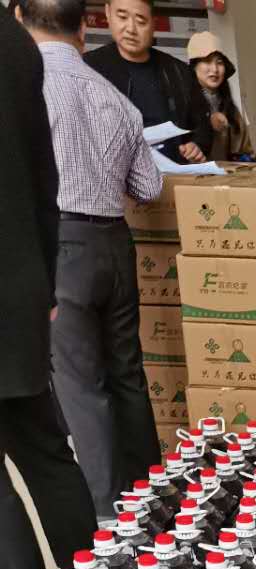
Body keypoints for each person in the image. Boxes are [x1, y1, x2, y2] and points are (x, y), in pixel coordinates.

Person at [18, 0, 164, 521]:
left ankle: (111, 518)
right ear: (85, 27)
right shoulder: (113, 96)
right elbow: (148, 186)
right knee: (127, 375)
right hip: (115, 245)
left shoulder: (27, 88)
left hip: (61, 247)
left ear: (21, 20)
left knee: (82, 387)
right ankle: (154, 498)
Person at [0, 4, 96, 569]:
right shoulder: (14, 43)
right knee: (46, 450)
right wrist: (43, 287)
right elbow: (44, 179)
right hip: (20, 285)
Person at [84, 0, 211, 163]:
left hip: (172, 174)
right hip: (112, 175)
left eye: (140, 21)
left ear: (153, 23)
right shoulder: (87, 69)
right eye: (122, 17)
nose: (131, 29)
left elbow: (202, 126)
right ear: (108, 13)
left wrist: (197, 145)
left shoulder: (178, 72)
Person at [187, 31, 252, 163]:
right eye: (207, 61)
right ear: (194, 66)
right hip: (192, 175)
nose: (215, 69)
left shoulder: (231, 110)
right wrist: (207, 123)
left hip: (226, 175)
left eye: (219, 62)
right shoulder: (182, 104)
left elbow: (245, 153)